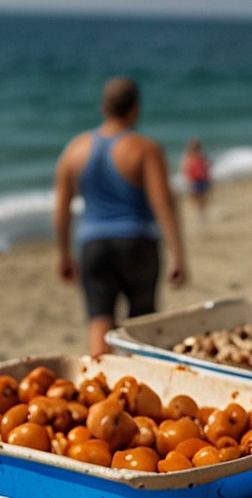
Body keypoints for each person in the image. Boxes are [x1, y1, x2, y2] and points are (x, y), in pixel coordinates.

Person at [52, 77, 186, 356]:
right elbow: (163, 204)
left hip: (93, 244)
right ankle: (138, 387)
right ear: (135, 109)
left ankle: (102, 388)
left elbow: (62, 209)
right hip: (137, 242)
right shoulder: (144, 149)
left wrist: (64, 254)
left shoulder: (75, 149)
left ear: (103, 107)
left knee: (99, 318)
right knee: (141, 321)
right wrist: (178, 255)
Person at [181, 138, 212, 222]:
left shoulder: (201, 157)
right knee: (196, 199)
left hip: (202, 180)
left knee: (202, 199)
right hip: (194, 181)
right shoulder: (188, 158)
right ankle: (199, 214)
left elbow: (207, 167)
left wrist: (208, 177)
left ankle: (201, 215)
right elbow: (185, 170)